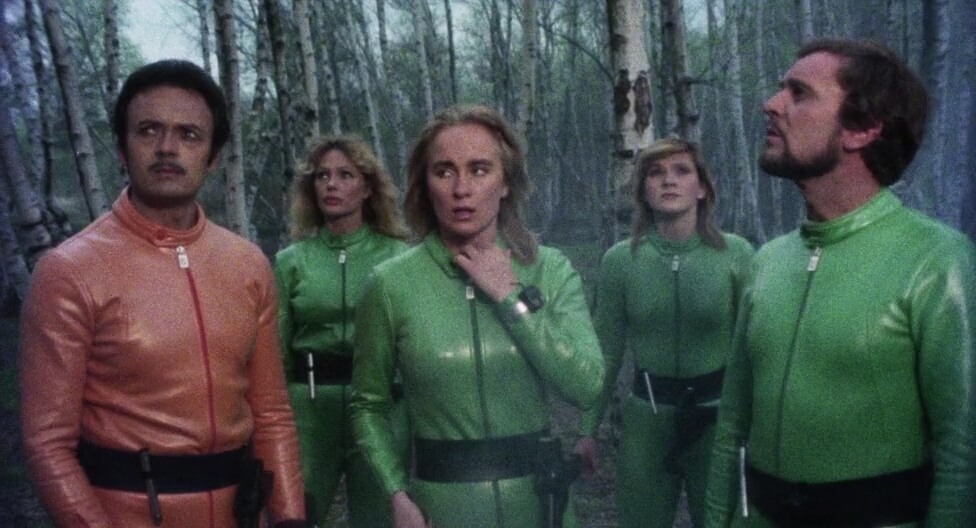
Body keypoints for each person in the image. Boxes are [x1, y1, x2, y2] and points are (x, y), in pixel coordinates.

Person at [19, 60, 307, 527]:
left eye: (189, 134)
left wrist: (290, 518)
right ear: (121, 147)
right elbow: (47, 443)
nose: (167, 148)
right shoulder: (69, 272)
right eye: (149, 130)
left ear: (213, 156)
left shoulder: (247, 264)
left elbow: (271, 413)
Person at [704, 38, 976, 527]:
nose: (771, 104)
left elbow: (964, 450)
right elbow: (731, 428)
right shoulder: (768, 261)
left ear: (863, 128)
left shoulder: (938, 260)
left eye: (799, 93)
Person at [349, 105, 605, 528]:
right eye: (444, 171)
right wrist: (396, 493)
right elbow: (367, 405)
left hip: (540, 506)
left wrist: (510, 298)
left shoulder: (550, 269)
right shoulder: (390, 284)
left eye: (480, 170)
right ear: (424, 184)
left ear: (506, 183)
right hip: (441, 506)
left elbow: (587, 385)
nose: (461, 189)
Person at [575, 138, 753, 527]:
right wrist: (587, 429)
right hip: (647, 421)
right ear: (642, 190)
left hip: (718, 420)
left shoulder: (736, 254)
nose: (668, 180)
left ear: (701, 188)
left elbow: (754, 348)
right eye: (656, 173)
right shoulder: (621, 261)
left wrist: (756, 423)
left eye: (681, 171)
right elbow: (606, 351)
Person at [274, 135, 410, 527]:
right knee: (297, 513)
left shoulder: (398, 257)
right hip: (311, 407)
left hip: (383, 405)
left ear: (367, 188)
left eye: (345, 175)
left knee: (379, 515)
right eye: (322, 176)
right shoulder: (291, 261)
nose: (331, 185)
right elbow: (276, 350)